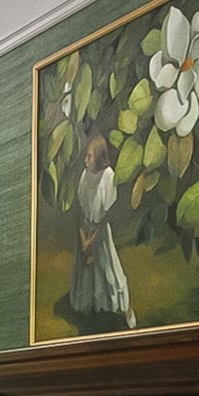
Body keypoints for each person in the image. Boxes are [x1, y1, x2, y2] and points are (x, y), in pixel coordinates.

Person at [70, 138, 134, 328]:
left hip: (100, 233)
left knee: (108, 268)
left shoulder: (108, 177)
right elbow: (81, 212)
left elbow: (105, 217)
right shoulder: (85, 175)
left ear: (99, 157)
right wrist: (83, 239)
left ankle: (121, 307)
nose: (86, 160)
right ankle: (91, 307)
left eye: (89, 156)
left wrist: (91, 242)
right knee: (87, 270)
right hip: (86, 229)